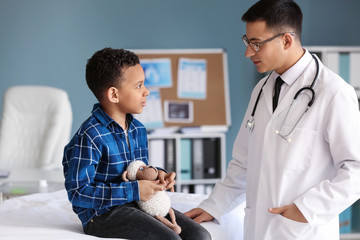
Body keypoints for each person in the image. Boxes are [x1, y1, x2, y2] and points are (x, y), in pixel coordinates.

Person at [185, 0, 360, 239]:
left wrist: (308, 208)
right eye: (247, 42)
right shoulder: (262, 90)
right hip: (258, 230)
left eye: (256, 44)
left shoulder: (334, 92)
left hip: (301, 231)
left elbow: (356, 168)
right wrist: (213, 206)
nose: (248, 53)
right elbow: (243, 163)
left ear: (287, 40)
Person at [63, 48, 211, 240]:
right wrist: (135, 190)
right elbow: (78, 192)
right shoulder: (90, 135)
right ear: (114, 94)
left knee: (200, 235)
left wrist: (158, 174)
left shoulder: (137, 129)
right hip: (101, 214)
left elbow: (137, 171)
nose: (146, 91)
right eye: (139, 86)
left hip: (136, 202)